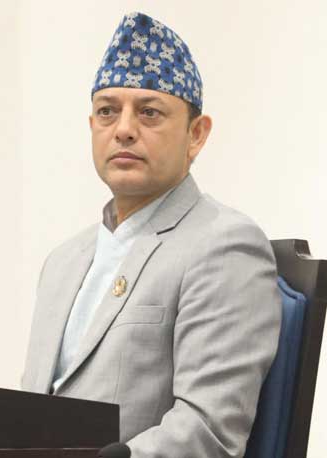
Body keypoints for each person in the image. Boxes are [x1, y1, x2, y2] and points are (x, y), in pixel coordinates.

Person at [21, 11, 282, 458]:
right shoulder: (62, 261)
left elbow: (208, 431)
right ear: (91, 127)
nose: (123, 129)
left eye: (149, 112)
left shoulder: (224, 246)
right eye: (107, 111)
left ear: (196, 134)